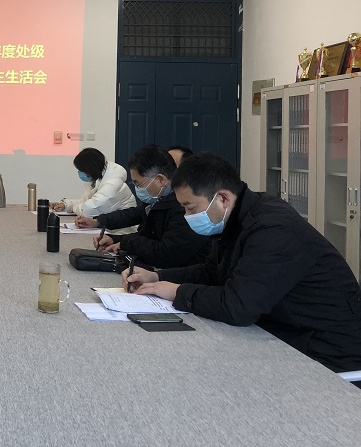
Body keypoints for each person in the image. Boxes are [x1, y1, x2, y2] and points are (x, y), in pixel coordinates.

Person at [124, 153, 361, 373]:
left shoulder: (272, 229)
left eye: (190, 208)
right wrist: (157, 277)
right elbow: (212, 271)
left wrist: (177, 291)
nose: (187, 217)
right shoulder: (238, 217)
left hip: (326, 353)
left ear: (222, 198)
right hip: (283, 333)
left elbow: (238, 306)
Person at [77, 144, 212, 269]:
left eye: (139, 184)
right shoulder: (159, 199)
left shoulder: (185, 207)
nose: (137, 189)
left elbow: (165, 254)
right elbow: (143, 229)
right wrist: (115, 238)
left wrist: (126, 242)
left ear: (160, 179)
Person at [49, 148, 136, 227]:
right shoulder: (98, 179)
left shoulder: (113, 184)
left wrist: (74, 208)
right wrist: (66, 205)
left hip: (122, 230)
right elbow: (86, 201)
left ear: (90, 168)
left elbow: (88, 210)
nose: (80, 173)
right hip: (110, 227)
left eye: (81, 170)